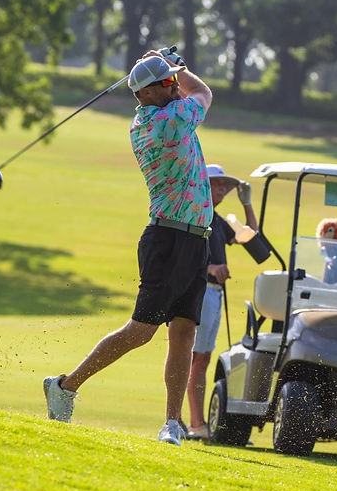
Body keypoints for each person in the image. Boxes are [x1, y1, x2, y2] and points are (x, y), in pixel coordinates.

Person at [43, 48, 214, 447]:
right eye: (167, 81)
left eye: (173, 80)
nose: (175, 85)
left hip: (194, 239)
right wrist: (182, 68)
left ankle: (172, 424)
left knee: (184, 332)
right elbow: (204, 94)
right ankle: (65, 385)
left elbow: (187, 92)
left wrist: (161, 65)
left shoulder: (160, 111)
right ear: (147, 94)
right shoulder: (164, 123)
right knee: (141, 331)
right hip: (168, 239)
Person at [184, 164, 257, 440]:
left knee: (200, 358)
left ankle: (194, 422)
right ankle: (194, 423)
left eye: (226, 186)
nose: (224, 190)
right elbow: (184, 261)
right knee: (196, 359)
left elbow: (251, 235)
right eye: (219, 185)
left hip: (213, 294)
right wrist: (211, 269)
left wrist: (247, 203)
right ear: (205, 184)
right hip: (199, 292)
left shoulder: (216, 220)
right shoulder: (195, 215)